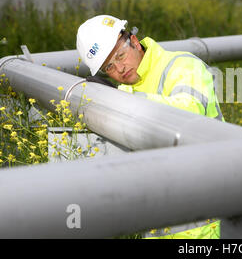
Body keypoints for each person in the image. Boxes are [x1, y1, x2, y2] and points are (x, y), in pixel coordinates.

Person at [76, 14, 223, 239]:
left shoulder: (183, 64)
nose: (120, 69)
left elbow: (190, 111)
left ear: (134, 41)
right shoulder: (127, 92)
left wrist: (120, 97)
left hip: (205, 210)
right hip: (158, 215)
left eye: (121, 56)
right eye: (109, 67)